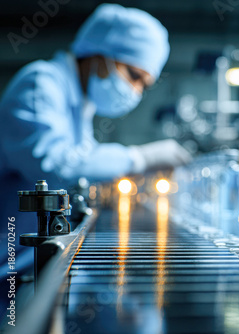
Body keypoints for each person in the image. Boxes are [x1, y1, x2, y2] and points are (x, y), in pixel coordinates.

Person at [0, 3, 191, 300]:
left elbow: (83, 160)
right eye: (133, 75)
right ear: (100, 55)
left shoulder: (80, 105)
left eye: (144, 84)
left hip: (31, 262)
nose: (136, 91)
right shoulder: (41, 83)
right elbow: (55, 163)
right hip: (8, 265)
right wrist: (140, 158)